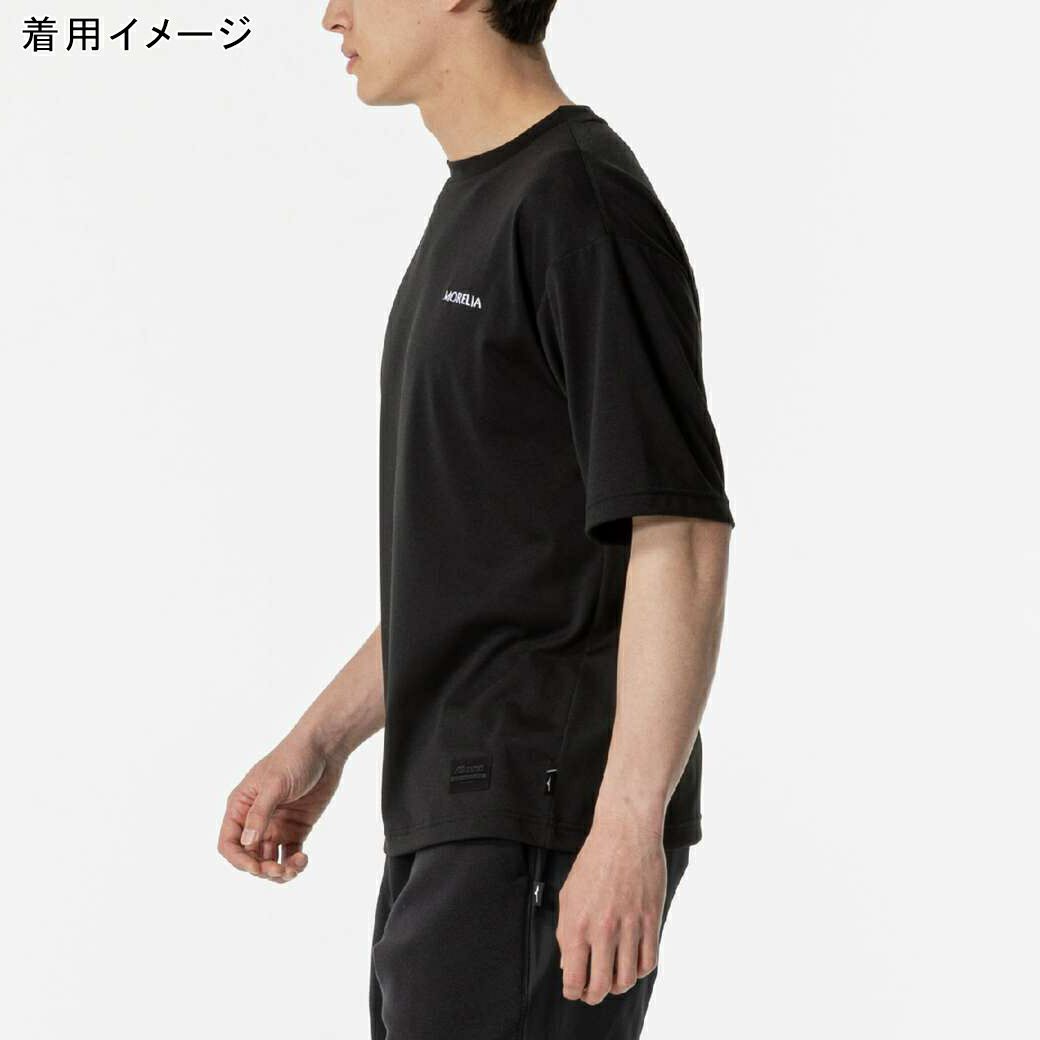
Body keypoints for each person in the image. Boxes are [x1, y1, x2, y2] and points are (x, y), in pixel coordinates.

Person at [217, 2, 734, 1036]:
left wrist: (625, 824)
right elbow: (479, 569)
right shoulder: (482, 202)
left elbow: (678, 533)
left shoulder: (581, 205)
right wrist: (319, 741)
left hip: (540, 817)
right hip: (460, 816)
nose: (331, 14)